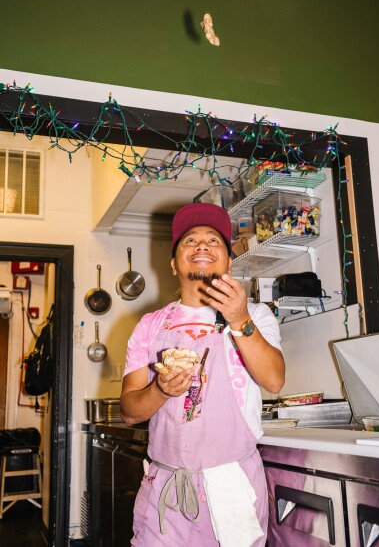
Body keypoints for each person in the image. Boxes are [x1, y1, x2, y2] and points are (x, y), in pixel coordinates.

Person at [120, 202, 285, 546]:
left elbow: (274, 380)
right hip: (166, 487)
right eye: (190, 241)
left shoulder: (255, 315)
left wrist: (239, 319)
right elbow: (130, 413)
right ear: (173, 263)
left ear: (227, 260)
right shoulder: (150, 327)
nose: (202, 246)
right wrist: (161, 391)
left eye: (214, 241)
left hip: (232, 487)